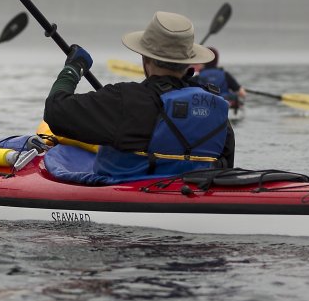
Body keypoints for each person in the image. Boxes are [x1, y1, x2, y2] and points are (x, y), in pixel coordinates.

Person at [43, 11, 234, 185]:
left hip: (125, 197)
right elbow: (225, 167)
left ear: (145, 59)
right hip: (194, 197)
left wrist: (74, 68)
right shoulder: (216, 108)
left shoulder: (123, 100)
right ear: (188, 64)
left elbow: (55, 112)